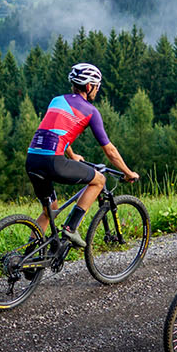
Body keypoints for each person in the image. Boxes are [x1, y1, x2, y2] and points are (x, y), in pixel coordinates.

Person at [25, 63, 139, 247]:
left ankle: (27, 258)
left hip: (32, 159)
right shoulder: (91, 112)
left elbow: (56, 131)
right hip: (53, 161)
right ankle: (71, 228)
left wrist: (71, 154)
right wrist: (127, 172)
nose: (97, 90)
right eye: (96, 86)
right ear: (88, 87)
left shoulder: (56, 100)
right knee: (99, 180)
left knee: (50, 212)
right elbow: (109, 150)